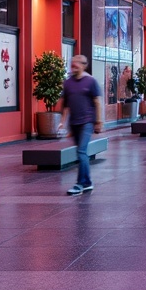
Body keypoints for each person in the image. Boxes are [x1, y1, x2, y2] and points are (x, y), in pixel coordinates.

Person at [57, 54, 103, 195]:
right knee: (81, 152)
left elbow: (97, 102)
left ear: (84, 65)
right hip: (74, 123)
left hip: (87, 122)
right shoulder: (68, 83)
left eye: (77, 63)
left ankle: (79, 184)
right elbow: (65, 105)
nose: (74, 65)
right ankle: (88, 182)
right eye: (72, 63)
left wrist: (99, 121)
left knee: (81, 152)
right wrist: (62, 123)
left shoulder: (90, 81)